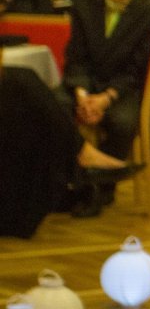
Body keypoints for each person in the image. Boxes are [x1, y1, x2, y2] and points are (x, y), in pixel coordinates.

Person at [58, 0, 150, 216]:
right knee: (54, 107)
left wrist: (105, 99)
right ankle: (66, 183)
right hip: (85, 84)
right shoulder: (84, 4)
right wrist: (83, 96)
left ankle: (101, 188)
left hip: (121, 88)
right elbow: (76, 58)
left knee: (122, 122)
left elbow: (135, 70)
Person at [0, 64, 135, 236]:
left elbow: (133, 73)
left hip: (118, 93)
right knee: (21, 83)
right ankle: (79, 158)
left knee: (21, 88)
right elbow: (76, 62)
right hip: (83, 88)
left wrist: (104, 98)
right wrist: (82, 94)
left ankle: (68, 175)